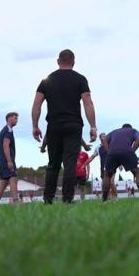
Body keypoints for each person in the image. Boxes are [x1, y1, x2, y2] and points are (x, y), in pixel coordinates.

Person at [31, 49, 97, 204]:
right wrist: (93, 126)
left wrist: (35, 125)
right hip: (73, 125)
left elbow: (36, 104)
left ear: (58, 61)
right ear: (73, 62)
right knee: (70, 163)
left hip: (53, 125)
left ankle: (48, 199)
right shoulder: (80, 79)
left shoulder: (47, 80)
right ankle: (67, 199)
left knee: (53, 163)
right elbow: (88, 103)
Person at [102, 124, 139, 201]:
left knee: (107, 175)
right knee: (138, 173)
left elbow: (104, 140)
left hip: (112, 152)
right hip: (127, 151)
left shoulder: (114, 131)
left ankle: (104, 200)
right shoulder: (133, 131)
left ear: (122, 128)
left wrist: (108, 151)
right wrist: (133, 150)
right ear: (130, 128)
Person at [0, 112, 20, 205]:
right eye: (15, 118)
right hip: (6, 160)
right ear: (9, 118)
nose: (17, 120)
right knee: (13, 178)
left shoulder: (3, 130)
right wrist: (9, 161)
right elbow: (5, 145)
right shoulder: (8, 130)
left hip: (1, 159)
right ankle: (16, 202)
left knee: (4, 182)